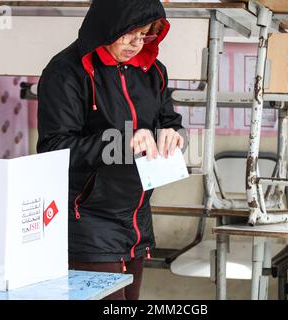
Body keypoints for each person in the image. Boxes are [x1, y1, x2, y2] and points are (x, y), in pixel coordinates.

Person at [36, 0, 188, 300]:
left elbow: (168, 120)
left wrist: (174, 133)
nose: (137, 43)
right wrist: (121, 142)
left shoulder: (153, 70)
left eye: (145, 34)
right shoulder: (66, 72)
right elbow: (53, 149)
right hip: (87, 223)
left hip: (137, 219)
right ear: (107, 25)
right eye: (129, 33)